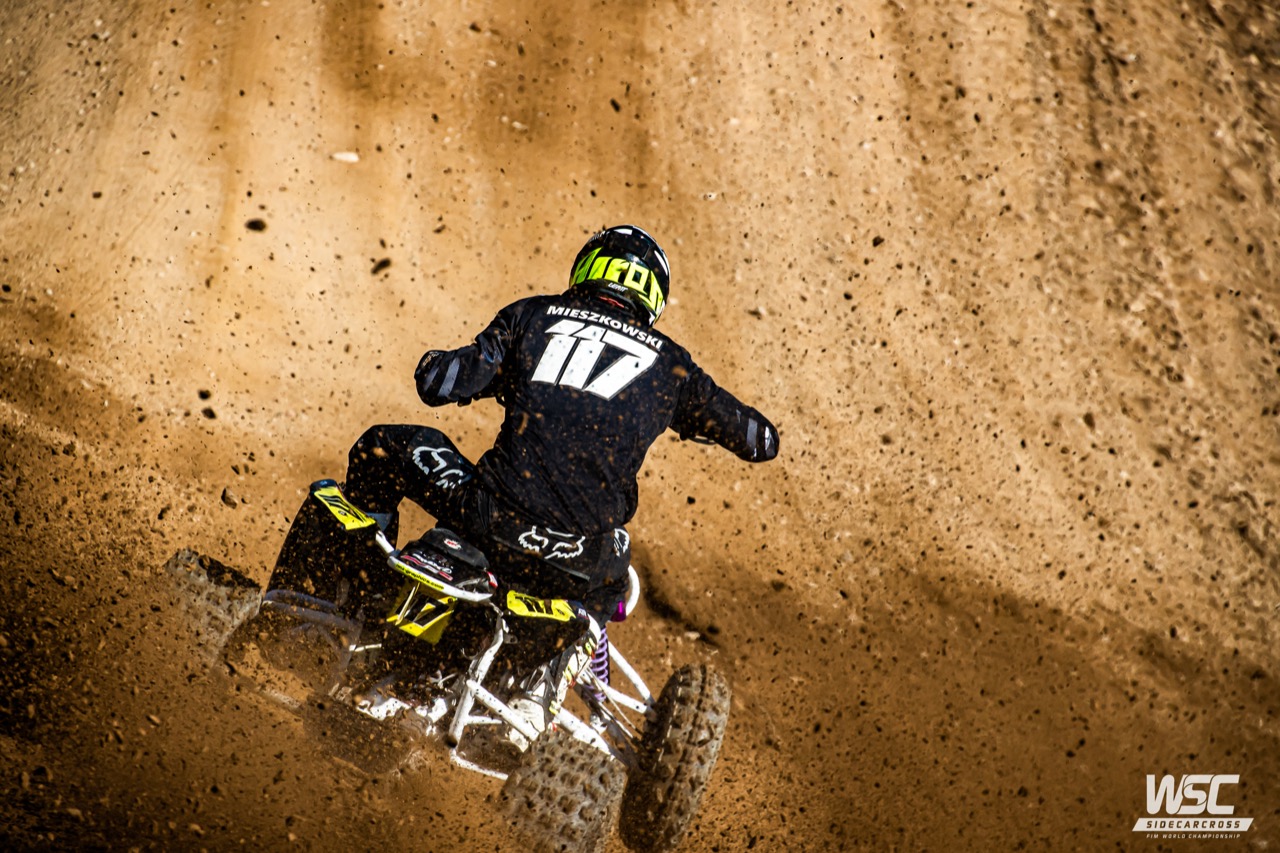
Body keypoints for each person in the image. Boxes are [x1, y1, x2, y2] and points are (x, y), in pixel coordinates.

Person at [265, 225, 778, 730]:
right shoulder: (674, 367)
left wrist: (441, 364)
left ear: (587, 268)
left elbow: (439, 384)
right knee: (616, 571)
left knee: (383, 445)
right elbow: (760, 440)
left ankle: (332, 604)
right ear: (654, 298)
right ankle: (540, 688)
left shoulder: (533, 315)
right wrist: (689, 412)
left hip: (488, 518)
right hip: (576, 558)